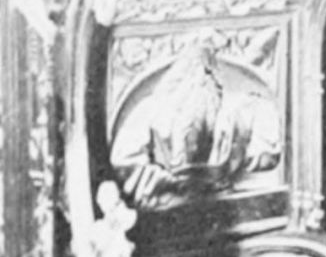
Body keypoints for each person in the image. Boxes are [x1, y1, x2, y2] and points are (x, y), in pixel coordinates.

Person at [111, 37, 282, 207]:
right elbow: (125, 164)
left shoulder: (244, 108)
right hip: (175, 204)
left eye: (206, 71)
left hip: (221, 203)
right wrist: (167, 182)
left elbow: (267, 157)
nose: (201, 76)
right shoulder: (149, 110)